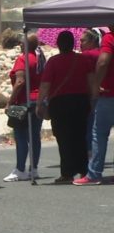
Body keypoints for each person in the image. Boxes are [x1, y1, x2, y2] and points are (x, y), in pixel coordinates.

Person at [37, 31, 92, 184]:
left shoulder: (53, 62)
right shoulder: (82, 59)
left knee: (63, 138)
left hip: (59, 103)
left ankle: (67, 172)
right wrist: (92, 99)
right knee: (80, 136)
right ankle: (83, 169)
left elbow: (45, 85)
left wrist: (40, 103)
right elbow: (90, 80)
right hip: (81, 100)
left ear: (59, 44)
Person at [75, 24, 114, 185]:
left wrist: (96, 85)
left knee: (99, 134)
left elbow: (103, 62)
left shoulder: (109, 38)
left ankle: (94, 173)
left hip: (109, 94)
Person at [4, 33, 44, 182]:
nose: (20, 44)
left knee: (20, 136)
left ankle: (20, 169)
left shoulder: (23, 59)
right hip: (37, 100)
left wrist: (10, 101)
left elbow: (20, 81)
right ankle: (34, 169)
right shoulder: (39, 59)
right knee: (34, 136)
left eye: (22, 42)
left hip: (23, 102)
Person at [80, 28, 103, 155]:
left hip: (88, 93)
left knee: (88, 125)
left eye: (83, 41)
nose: (80, 43)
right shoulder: (102, 53)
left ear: (92, 41)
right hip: (102, 93)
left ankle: (89, 152)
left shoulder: (86, 55)